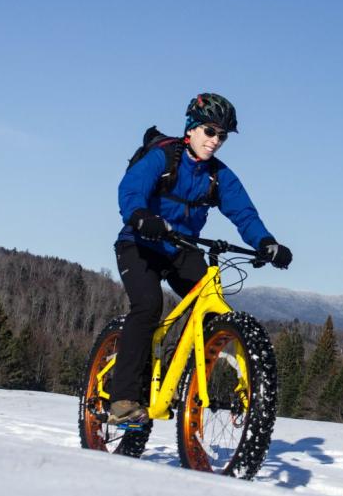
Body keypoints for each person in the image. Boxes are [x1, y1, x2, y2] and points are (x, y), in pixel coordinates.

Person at [107, 93, 292, 424]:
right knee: (148, 306)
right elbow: (130, 190)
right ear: (190, 129)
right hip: (139, 244)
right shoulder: (162, 159)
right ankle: (122, 399)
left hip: (180, 249)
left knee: (212, 309)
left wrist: (266, 242)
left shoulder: (219, 175)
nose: (216, 141)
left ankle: (223, 386)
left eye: (222, 135)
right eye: (210, 131)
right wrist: (140, 216)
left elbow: (244, 214)